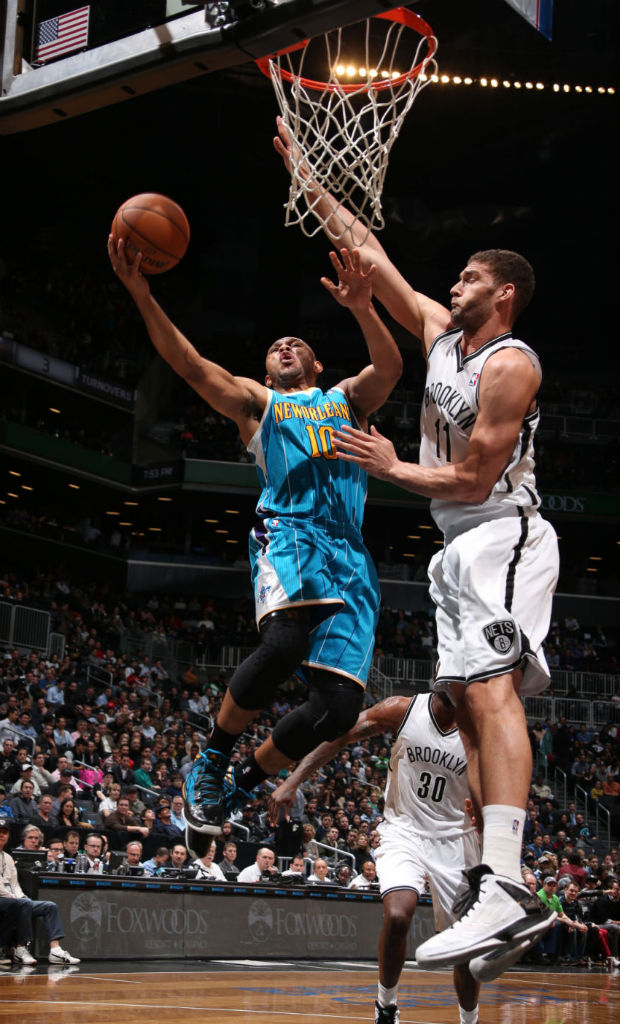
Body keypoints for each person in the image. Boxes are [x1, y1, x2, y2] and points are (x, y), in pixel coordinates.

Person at [273, 117, 559, 971]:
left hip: (502, 531)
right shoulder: (439, 335)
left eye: (471, 276)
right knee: (471, 704)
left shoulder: (512, 363)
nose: (455, 282)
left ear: (502, 294)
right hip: (456, 547)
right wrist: (308, 177)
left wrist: (394, 467)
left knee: (492, 693)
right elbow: (372, 254)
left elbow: (475, 479)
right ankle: (497, 888)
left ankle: (504, 884)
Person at [108, 234, 402, 836]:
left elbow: (392, 366)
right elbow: (189, 365)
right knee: (285, 642)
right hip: (290, 532)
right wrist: (141, 292)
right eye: (275, 346)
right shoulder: (257, 402)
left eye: (297, 344)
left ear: (318, 365)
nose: (285, 346)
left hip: (351, 557)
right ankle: (211, 762)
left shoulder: (346, 398)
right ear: (266, 368)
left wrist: (363, 308)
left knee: (339, 709)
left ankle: (240, 787)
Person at [269, 692, 481, 1023]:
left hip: (455, 839)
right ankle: (386, 1006)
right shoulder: (403, 709)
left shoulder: (477, 729)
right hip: (403, 830)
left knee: (465, 948)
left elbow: (493, 787)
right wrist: (294, 779)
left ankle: (470, 1019)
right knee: (398, 916)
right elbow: (341, 733)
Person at [0, 817, 80, 965]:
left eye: (4, 832)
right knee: (23, 904)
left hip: (14, 900)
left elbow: (14, 884)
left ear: (8, 836)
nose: (1, 835)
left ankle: (55, 950)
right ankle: (21, 948)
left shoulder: (8, 858)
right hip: (3, 899)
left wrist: (22, 897)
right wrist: (17, 899)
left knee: (49, 906)